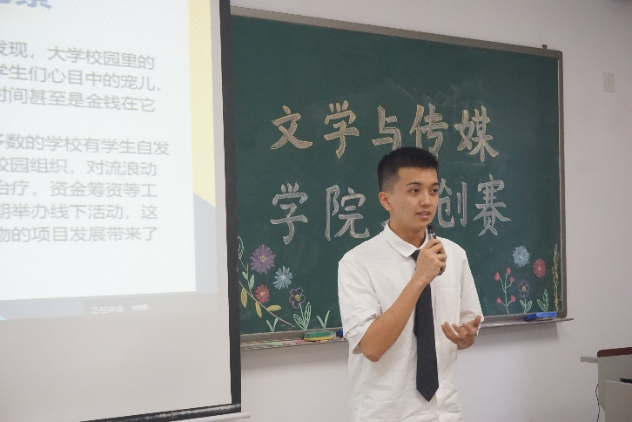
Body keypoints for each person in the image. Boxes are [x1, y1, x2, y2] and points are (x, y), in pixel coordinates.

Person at [338, 147, 483, 422]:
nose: (427, 201)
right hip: (387, 414)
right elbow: (371, 348)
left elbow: (466, 330)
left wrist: (467, 338)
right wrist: (419, 278)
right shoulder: (357, 263)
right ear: (386, 200)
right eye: (414, 191)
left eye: (434, 191)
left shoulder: (455, 254)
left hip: (444, 412)